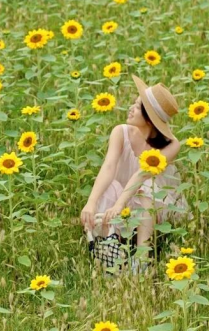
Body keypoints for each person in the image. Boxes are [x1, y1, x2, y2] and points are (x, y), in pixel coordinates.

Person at [80, 74, 192, 268]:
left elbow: (142, 174)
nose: (130, 108)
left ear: (150, 119)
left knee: (147, 185)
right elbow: (108, 167)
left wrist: (120, 204)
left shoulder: (171, 145)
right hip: (118, 200)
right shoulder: (121, 132)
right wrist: (91, 203)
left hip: (150, 205)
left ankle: (141, 257)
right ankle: (111, 243)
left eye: (138, 106)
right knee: (112, 184)